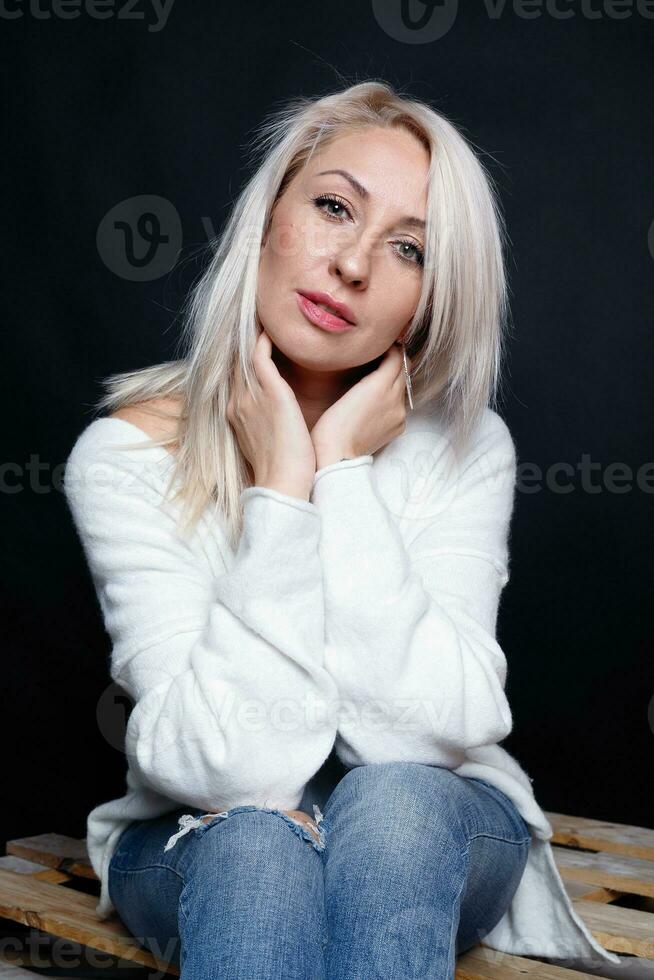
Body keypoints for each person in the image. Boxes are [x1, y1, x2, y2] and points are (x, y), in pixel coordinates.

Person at [63, 80, 620, 978]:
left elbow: (432, 733)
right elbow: (227, 769)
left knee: (393, 804)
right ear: (268, 218)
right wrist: (285, 484)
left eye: (409, 249)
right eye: (333, 207)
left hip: (433, 834)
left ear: (433, 299)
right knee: (254, 846)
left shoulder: (467, 449)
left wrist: (343, 470)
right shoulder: (125, 455)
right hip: (196, 839)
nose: (354, 265)